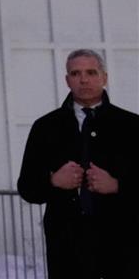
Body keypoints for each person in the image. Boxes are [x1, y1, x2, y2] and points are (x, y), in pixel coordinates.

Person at [17, 49, 139, 278]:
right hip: (68, 246)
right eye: (76, 73)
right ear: (67, 80)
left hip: (123, 243)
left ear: (104, 77)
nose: (84, 79)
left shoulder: (131, 126)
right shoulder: (46, 127)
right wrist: (52, 181)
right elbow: (27, 187)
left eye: (91, 72)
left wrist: (118, 185)